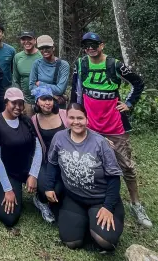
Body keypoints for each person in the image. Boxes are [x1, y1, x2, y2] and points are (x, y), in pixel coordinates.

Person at [70, 32, 152, 228]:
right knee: (90, 163)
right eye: (86, 44)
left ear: (102, 45)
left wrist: (129, 103)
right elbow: (76, 89)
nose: (90, 48)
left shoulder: (114, 65)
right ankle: (95, 198)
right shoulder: (81, 64)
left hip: (114, 125)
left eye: (94, 44)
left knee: (126, 165)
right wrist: (74, 114)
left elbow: (138, 82)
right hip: (89, 124)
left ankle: (136, 204)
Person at [45, 103, 125, 251]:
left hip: (99, 199)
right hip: (74, 197)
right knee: (72, 243)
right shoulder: (59, 137)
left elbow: (114, 177)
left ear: (87, 119)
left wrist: (108, 207)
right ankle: (85, 223)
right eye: (72, 118)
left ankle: (106, 216)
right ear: (66, 118)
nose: (76, 122)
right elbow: (52, 162)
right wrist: (48, 186)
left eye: (80, 118)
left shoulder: (100, 143)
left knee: (106, 242)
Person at [0, 87, 42, 227]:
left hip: (27, 169)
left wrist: (33, 175)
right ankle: (15, 190)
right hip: (9, 172)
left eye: (20, 103)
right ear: (6, 103)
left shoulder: (26, 121)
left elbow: (38, 148)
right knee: (9, 218)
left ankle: (41, 198)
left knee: (52, 187)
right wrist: (8, 189)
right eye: (13, 103)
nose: (18, 107)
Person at [30, 84, 68, 224]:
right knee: (50, 188)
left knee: (62, 192)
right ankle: (40, 201)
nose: (47, 103)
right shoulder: (34, 120)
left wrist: (102, 139)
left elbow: (82, 127)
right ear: (37, 102)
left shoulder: (64, 115)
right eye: (43, 99)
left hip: (66, 160)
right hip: (46, 161)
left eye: (50, 99)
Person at [29, 35, 69, 101]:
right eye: (41, 48)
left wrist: (40, 84)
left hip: (58, 104)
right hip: (41, 103)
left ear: (53, 48)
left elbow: (60, 90)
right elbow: (31, 87)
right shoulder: (36, 63)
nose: (44, 50)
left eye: (47, 47)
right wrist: (53, 95)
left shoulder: (63, 65)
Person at [12, 31, 42, 105]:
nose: (26, 42)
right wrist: (19, 96)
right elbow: (15, 79)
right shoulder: (18, 57)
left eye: (29, 39)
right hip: (25, 100)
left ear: (35, 40)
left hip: (41, 98)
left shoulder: (41, 56)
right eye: (23, 39)